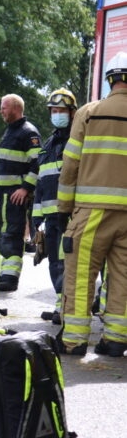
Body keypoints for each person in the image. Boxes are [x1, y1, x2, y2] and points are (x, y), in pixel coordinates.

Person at [57, 52, 127, 357]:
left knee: (81, 274)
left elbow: (70, 164)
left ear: (110, 78)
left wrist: (63, 208)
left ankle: (73, 341)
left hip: (92, 212)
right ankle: (116, 340)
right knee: (124, 278)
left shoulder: (89, 112)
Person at [30, 88, 77, 325]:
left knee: (68, 263)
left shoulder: (77, 140)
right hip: (51, 217)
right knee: (55, 263)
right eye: (54, 110)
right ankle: (61, 306)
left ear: (72, 112)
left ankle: (68, 308)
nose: (57, 114)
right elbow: (41, 182)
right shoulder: (48, 144)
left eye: (61, 110)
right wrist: (36, 221)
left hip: (69, 214)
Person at [0, 94, 42, 292]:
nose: (1, 110)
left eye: (4, 107)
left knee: (12, 234)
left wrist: (25, 188)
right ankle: (4, 273)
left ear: (15, 109)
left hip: (16, 195)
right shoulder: (11, 131)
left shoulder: (28, 132)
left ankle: (11, 278)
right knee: (4, 233)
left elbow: (38, 164)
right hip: (6, 195)